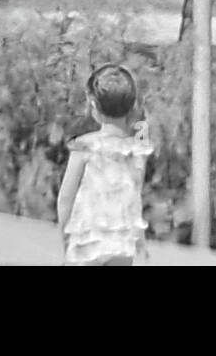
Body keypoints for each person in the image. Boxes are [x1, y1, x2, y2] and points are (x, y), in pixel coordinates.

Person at [55, 63, 154, 267]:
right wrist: (141, 243)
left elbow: (66, 197)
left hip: (87, 241)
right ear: (133, 105)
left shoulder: (85, 147)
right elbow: (134, 199)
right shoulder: (135, 151)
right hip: (121, 243)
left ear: (93, 106)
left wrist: (65, 237)